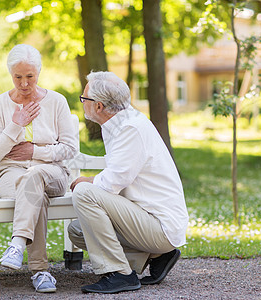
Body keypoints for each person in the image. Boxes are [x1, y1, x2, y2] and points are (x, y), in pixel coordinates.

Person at [68, 71, 188, 294]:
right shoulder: (118, 123)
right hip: (146, 219)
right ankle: (157, 256)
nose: (82, 102)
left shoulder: (130, 128)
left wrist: (88, 180)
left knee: (84, 192)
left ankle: (120, 274)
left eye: (84, 99)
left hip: (159, 225)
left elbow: (113, 183)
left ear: (99, 106)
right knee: (77, 231)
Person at [0, 44, 78, 293]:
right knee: (35, 193)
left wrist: (35, 152)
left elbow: (70, 149)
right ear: (10, 74)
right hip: (10, 173)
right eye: (18, 77)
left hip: (52, 172)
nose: (24, 84)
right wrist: (16, 126)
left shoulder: (56, 102)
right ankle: (40, 271)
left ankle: (17, 244)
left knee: (35, 176)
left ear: (38, 72)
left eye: (30, 76)